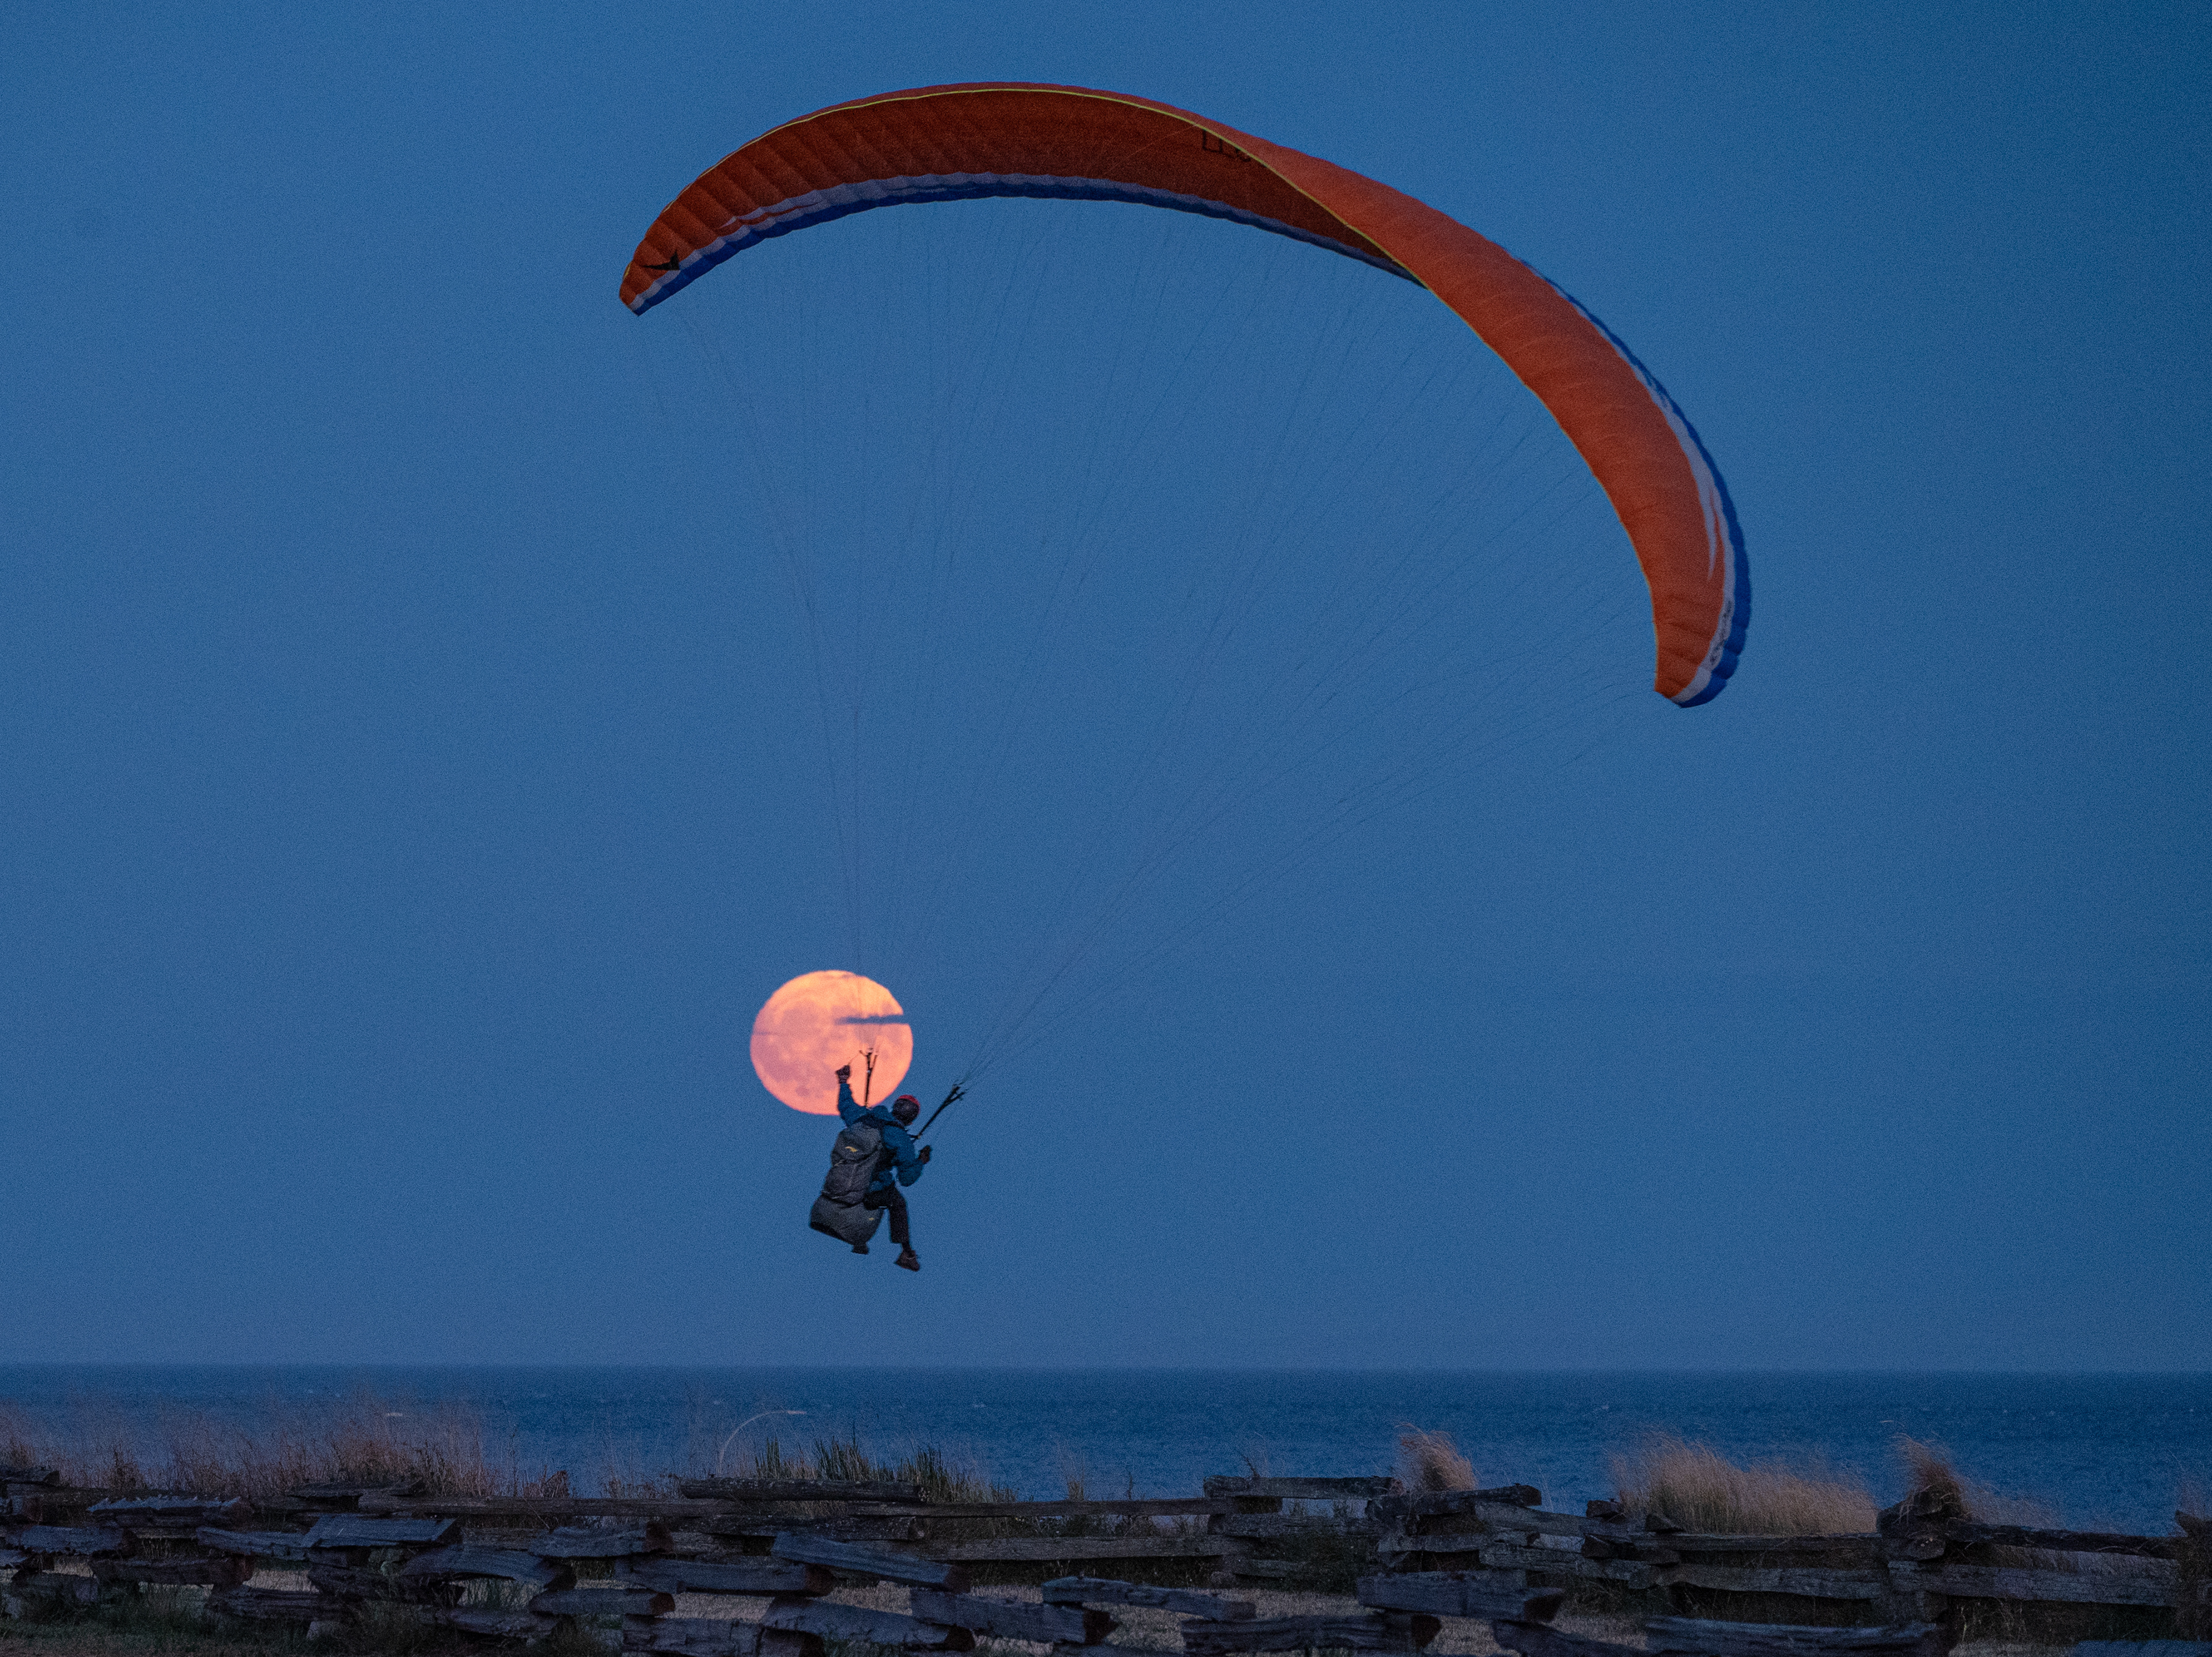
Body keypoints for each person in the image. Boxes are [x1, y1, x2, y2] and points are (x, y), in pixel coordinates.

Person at [834, 1062, 932, 1271]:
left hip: (841, 1181)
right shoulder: (902, 1141)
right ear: (912, 1120)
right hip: (865, 1190)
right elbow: (907, 1179)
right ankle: (906, 1253)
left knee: (873, 1189)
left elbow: (846, 1106)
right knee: (895, 1200)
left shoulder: (865, 1118)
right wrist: (921, 1162)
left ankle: (859, 1239)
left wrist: (843, 1082)